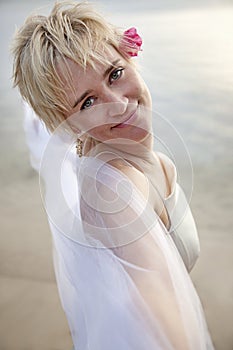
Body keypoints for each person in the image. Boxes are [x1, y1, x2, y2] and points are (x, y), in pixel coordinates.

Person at [12, 2, 215, 349]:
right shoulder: (113, 192)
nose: (118, 105)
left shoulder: (157, 161)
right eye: (87, 103)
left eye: (115, 74)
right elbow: (160, 307)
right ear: (68, 125)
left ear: (131, 57)